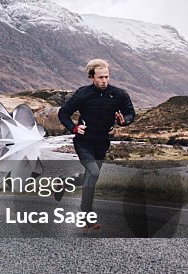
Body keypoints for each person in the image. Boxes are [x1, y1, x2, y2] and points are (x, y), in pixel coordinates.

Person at [55, 59, 135, 231]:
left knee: (91, 177)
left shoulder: (119, 94)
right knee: (93, 172)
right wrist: (74, 128)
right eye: (100, 77)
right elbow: (63, 113)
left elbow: (130, 113)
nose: (104, 81)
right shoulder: (82, 94)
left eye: (106, 77)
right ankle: (86, 218)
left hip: (102, 142)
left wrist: (124, 121)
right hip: (84, 141)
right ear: (92, 77)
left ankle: (64, 182)